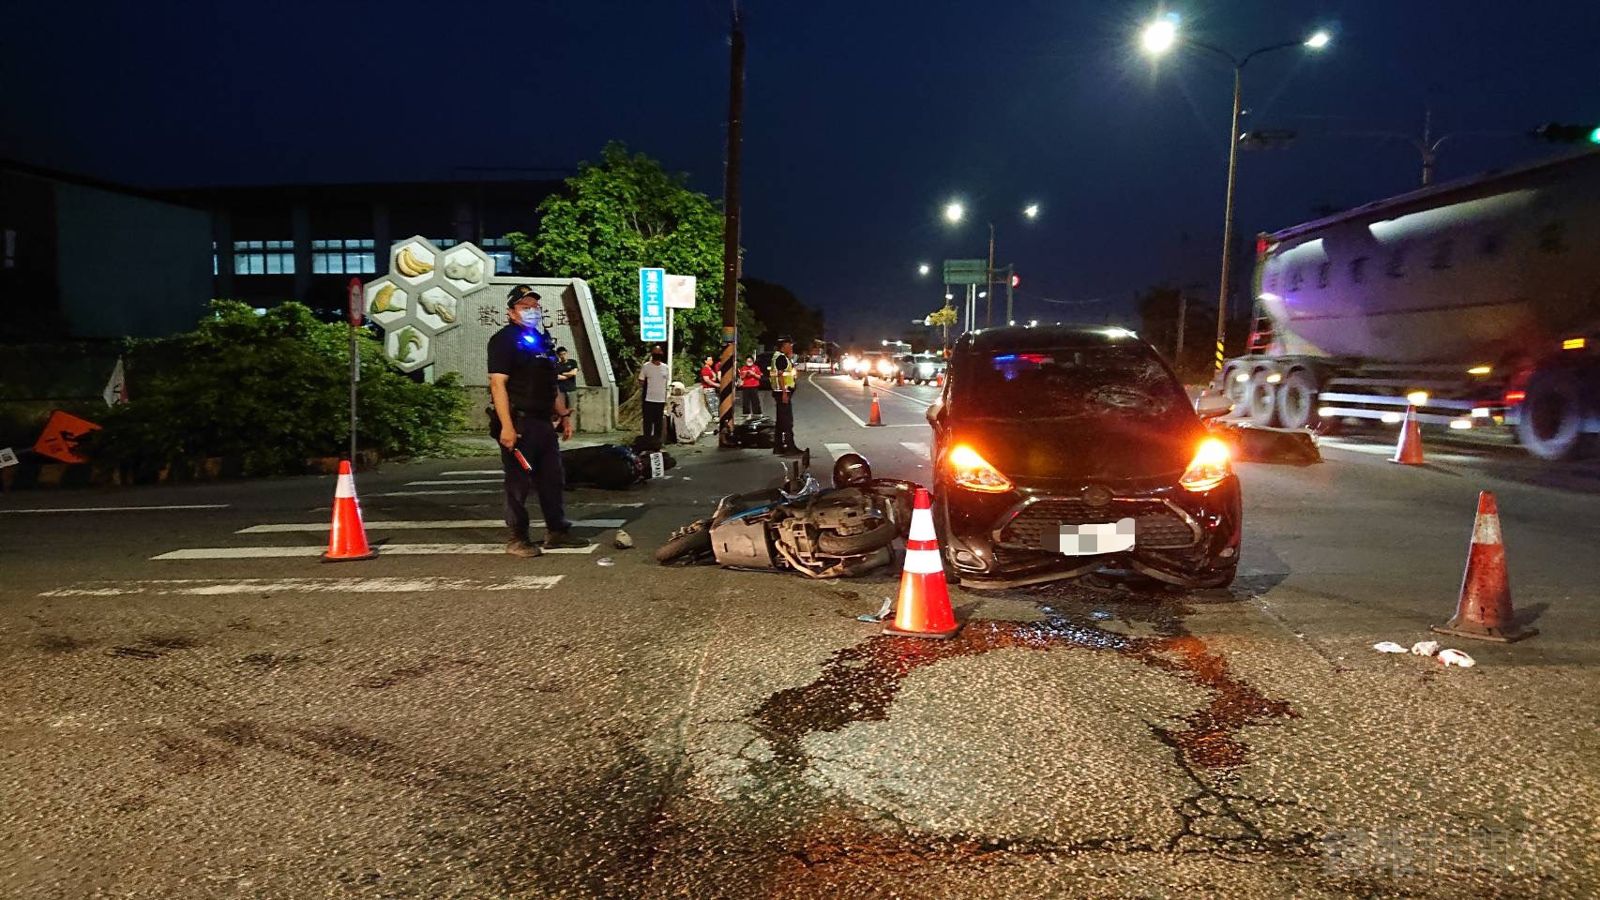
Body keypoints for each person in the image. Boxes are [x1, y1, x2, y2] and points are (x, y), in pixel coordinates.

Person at [488, 285, 588, 557]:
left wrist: (564, 415)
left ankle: (557, 531)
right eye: (525, 307)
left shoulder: (543, 342)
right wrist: (506, 426)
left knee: (552, 478)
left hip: (543, 423)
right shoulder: (504, 340)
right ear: (511, 313)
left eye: (535, 307)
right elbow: (498, 385)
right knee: (519, 482)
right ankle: (518, 537)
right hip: (519, 423)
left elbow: (551, 384)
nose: (532, 311)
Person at [770, 336, 799, 454]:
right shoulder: (781, 358)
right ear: (784, 347)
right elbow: (780, 376)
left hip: (780, 392)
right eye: (789, 345)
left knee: (781, 421)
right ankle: (789, 447)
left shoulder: (778, 357)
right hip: (783, 392)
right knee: (787, 421)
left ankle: (778, 447)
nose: (791, 347)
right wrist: (784, 393)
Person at [637, 348, 670, 445]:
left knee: (658, 423)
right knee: (648, 423)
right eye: (655, 353)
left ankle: (657, 443)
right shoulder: (646, 367)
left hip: (660, 399)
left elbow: (666, 382)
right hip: (649, 399)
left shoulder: (665, 367)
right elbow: (641, 380)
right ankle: (647, 442)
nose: (657, 355)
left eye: (659, 353)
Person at [555, 346, 579, 423]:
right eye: (561, 355)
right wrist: (567, 375)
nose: (563, 356)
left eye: (564, 354)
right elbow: (557, 376)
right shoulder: (557, 365)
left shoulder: (572, 362)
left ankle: (567, 424)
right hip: (561, 390)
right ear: (558, 355)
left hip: (571, 389)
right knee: (561, 409)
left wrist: (564, 373)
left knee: (571, 409)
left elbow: (574, 373)